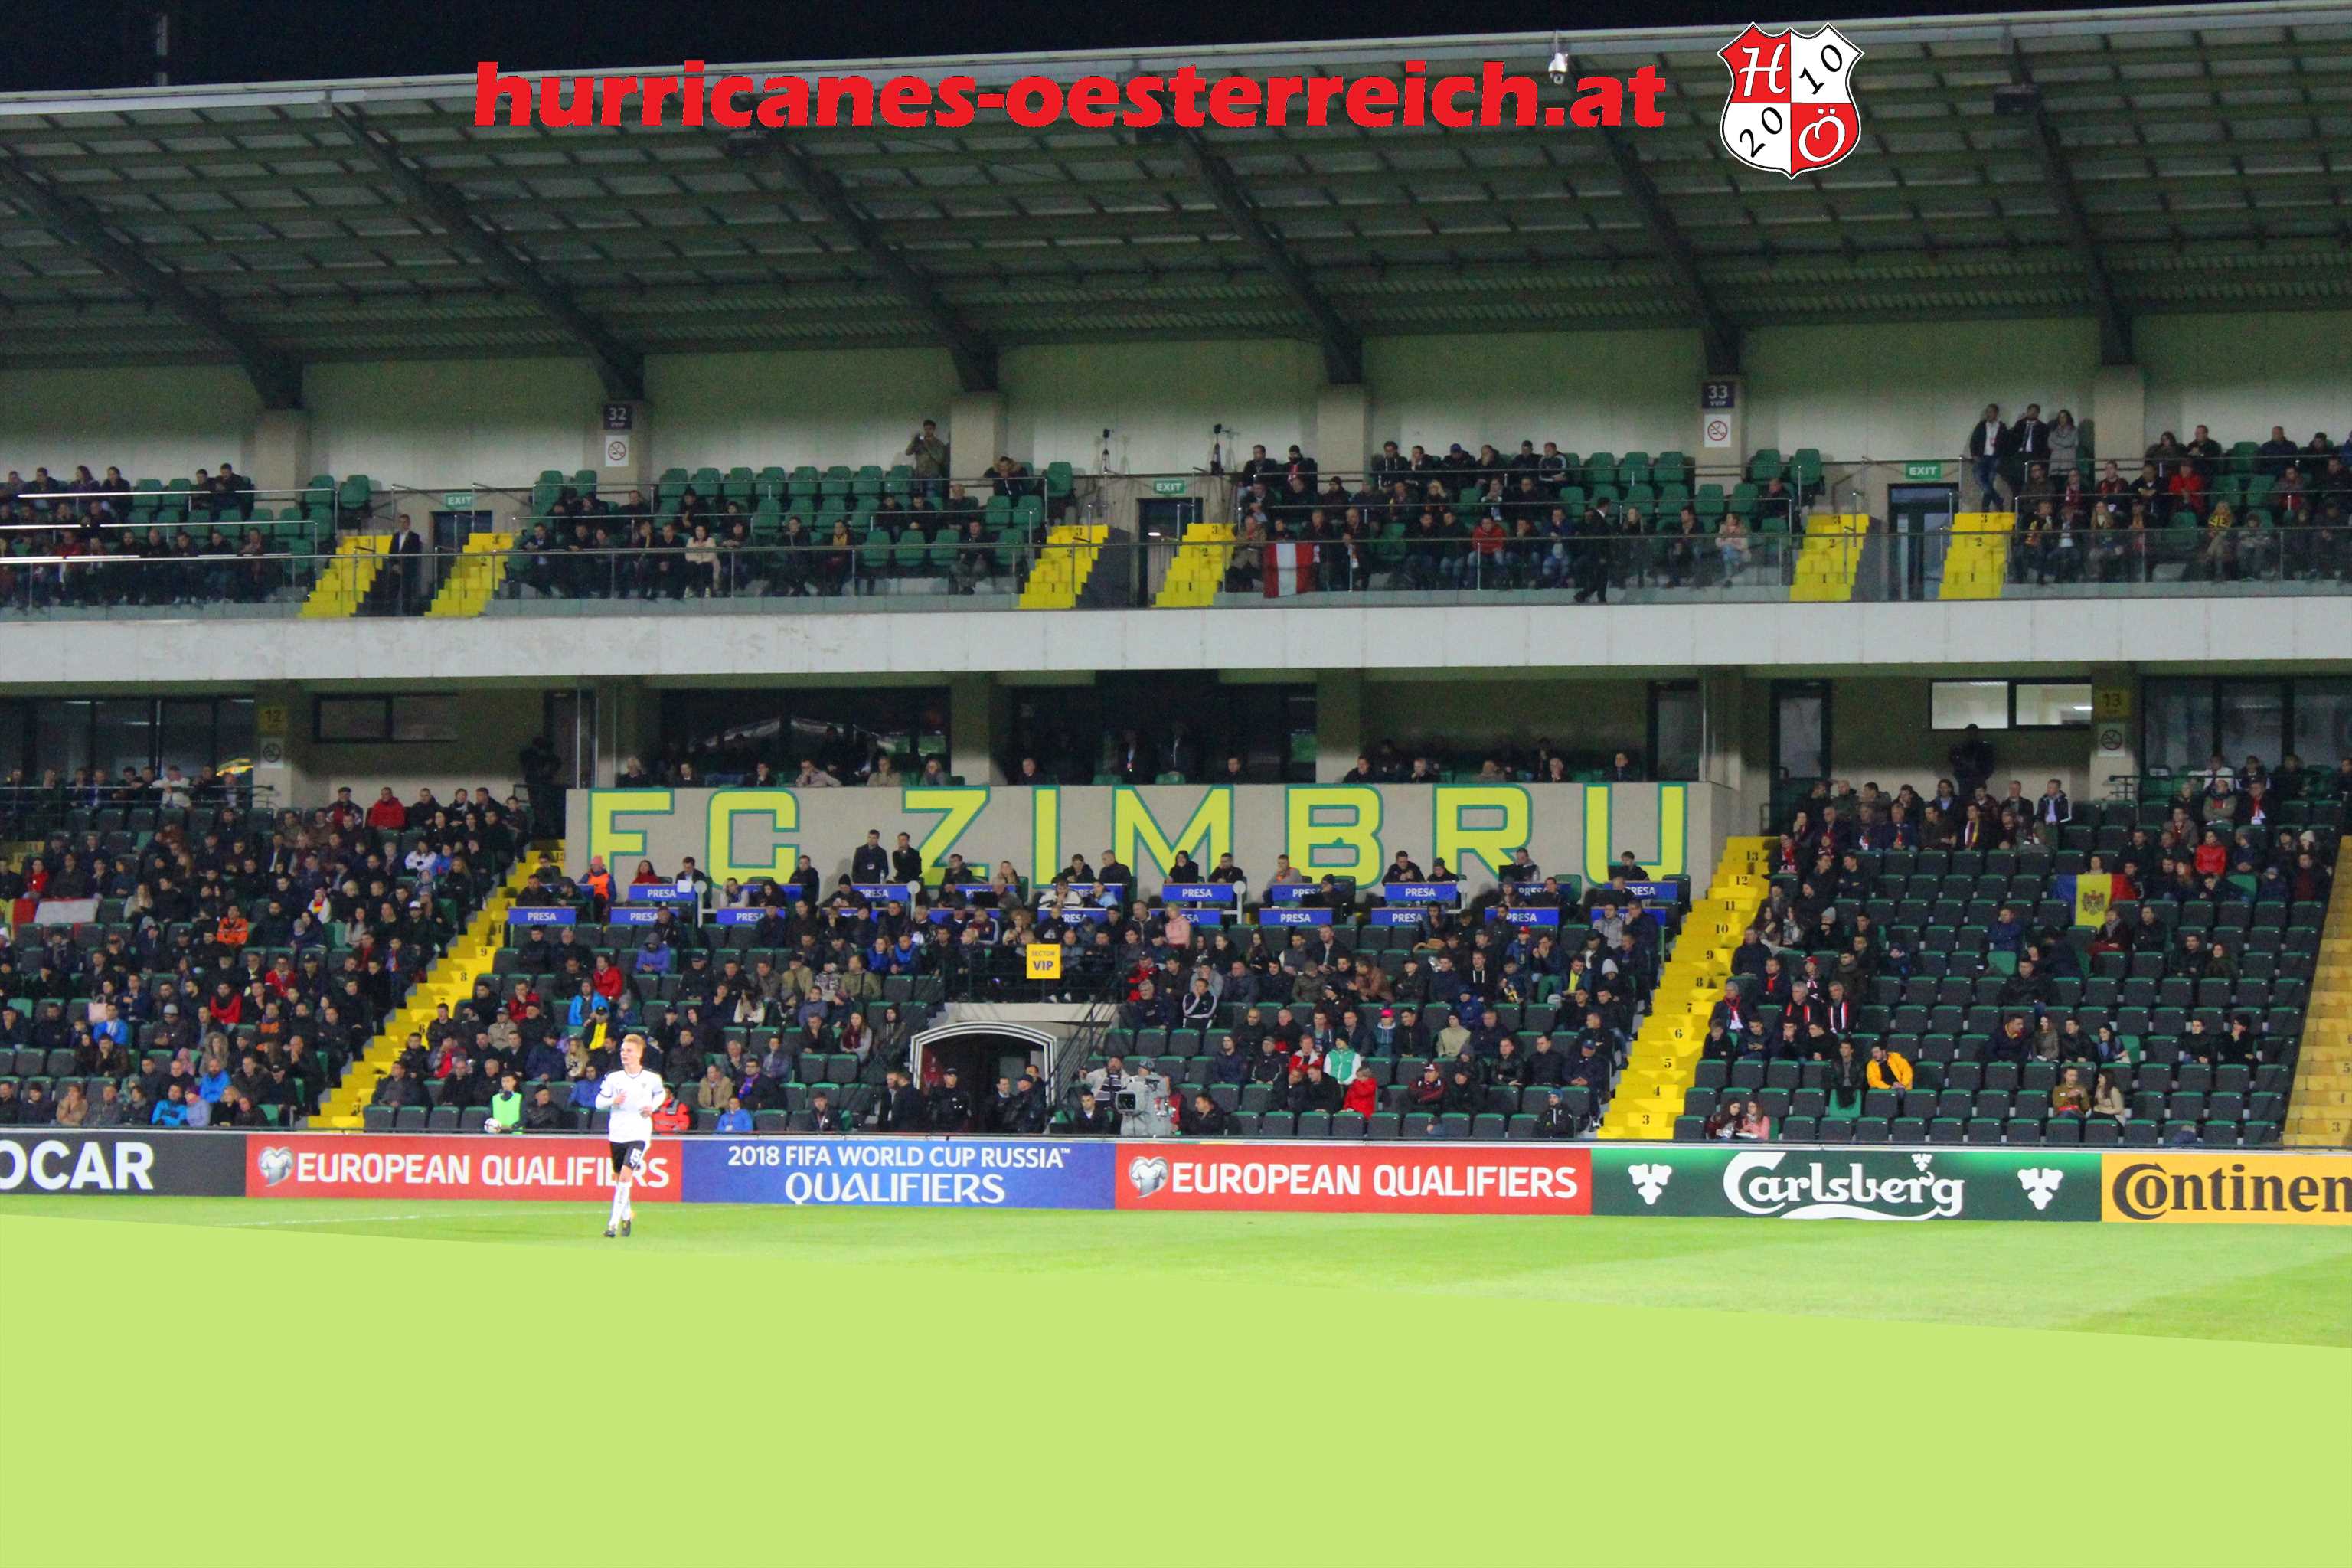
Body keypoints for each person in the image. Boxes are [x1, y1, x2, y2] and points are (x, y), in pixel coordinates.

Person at [593, 1032, 668, 1240]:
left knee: (626, 1175)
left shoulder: (651, 1078)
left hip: (639, 1134)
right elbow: (599, 1102)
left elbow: (661, 1093)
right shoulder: (614, 1078)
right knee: (620, 1179)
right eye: (622, 1050)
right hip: (617, 1134)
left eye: (629, 1051)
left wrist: (652, 1106)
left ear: (639, 1053)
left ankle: (612, 1225)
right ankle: (627, 1215)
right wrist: (613, 1101)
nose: (624, 1054)